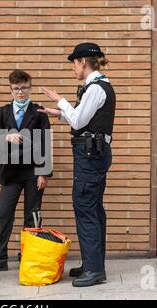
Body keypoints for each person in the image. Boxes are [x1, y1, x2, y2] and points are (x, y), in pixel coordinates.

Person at [38, 43, 116, 287]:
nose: (73, 67)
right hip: (93, 152)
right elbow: (82, 120)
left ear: (83, 62)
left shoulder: (95, 88)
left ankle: (94, 270)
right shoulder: (98, 85)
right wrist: (60, 113)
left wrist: (61, 101)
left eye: (74, 62)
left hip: (90, 155)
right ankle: (93, 263)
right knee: (93, 208)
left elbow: (79, 120)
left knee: (85, 207)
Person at [0, 69, 52, 272]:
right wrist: (5, 136)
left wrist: (43, 172)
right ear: (10, 90)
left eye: (24, 88)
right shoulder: (1, 113)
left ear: (30, 88)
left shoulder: (39, 112)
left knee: (32, 215)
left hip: (33, 173)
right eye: (16, 89)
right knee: (4, 214)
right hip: (10, 173)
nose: (20, 92)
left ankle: (29, 255)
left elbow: (46, 143)